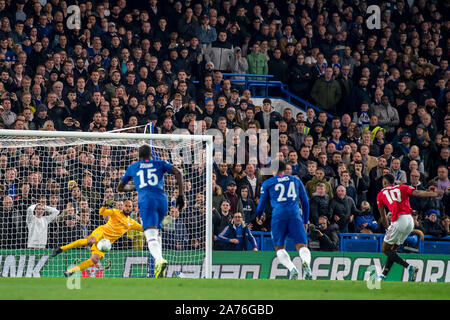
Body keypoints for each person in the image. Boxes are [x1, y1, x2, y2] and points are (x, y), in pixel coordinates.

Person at [116, 144, 185, 278]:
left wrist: (137, 187)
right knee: (156, 232)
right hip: (162, 200)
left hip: (146, 200)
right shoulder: (160, 163)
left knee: (150, 235)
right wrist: (181, 195)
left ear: (138, 156)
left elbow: (120, 188)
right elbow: (178, 172)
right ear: (151, 155)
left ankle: (159, 261)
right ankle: (159, 267)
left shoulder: (133, 167)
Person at [376, 174, 443, 281]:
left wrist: (387, 228)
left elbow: (383, 216)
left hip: (398, 220)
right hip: (410, 220)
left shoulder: (380, 194)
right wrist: (434, 193)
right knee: (393, 250)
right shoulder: (402, 186)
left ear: (384, 182)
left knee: (385, 249)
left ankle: (409, 267)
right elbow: (418, 193)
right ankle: (382, 276)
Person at [52, 199, 142, 277]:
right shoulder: (115, 212)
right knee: (91, 240)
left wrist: (154, 227)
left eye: (129, 206)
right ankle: (60, 249)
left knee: (94, 260)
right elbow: (101, 212)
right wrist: (105, 205)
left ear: (132, 208)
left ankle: (70, 272)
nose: (127, 208)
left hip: (105, 242)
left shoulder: (132, 223)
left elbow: (143, 229)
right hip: (101, 232)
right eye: (126, 206)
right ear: (122, 206)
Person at [256, 160, 312, 280]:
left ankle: (292, 269)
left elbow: (261, 204)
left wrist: (258, 215)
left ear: (272, 170)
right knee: (302, 245)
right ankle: (306, 263)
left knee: (279, 247)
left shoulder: (267, 183)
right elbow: (305, 202)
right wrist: (305, 220)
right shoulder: (296, 180)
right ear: (285, 168)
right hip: (295, 215)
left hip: (278, 216)